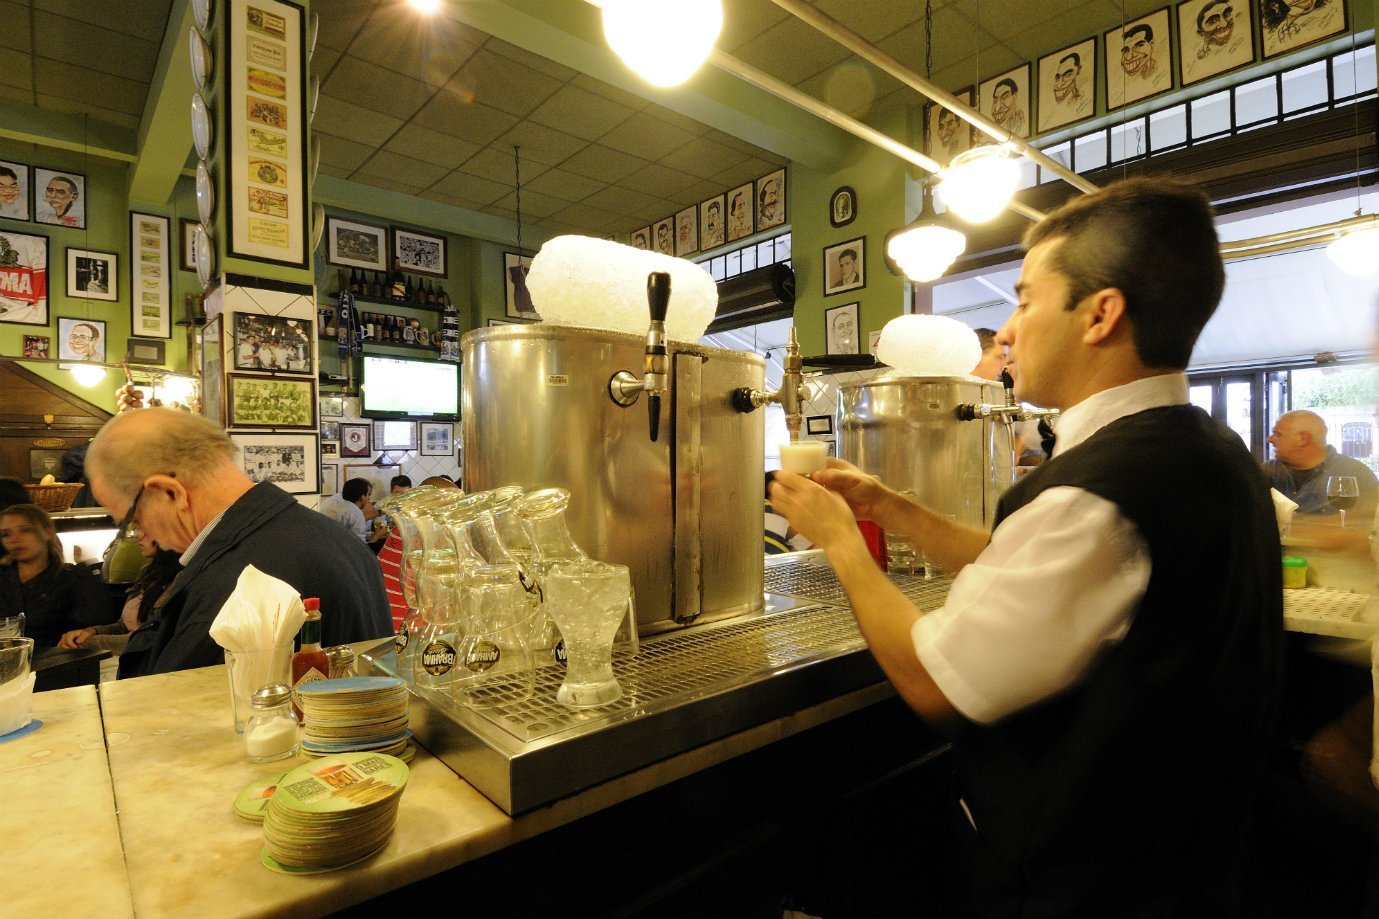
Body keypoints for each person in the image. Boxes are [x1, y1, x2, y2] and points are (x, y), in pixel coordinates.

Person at [770, 178, 1282, 915]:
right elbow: (1022, 564)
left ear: (1099, 314)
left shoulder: (1099, 493)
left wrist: (841, 541)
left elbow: (935, 685)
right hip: (1185, 857)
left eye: (1023, 299)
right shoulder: (1205, 446)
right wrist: (886, 505)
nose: (1005, 330)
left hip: (1080, 881)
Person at [84, 408, 391, 677]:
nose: (143, 535)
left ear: (169, 493)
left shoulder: (237, 584)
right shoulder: (333, 536)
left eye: (133, 522)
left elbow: (180, 723)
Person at [58, 529, 182, 656]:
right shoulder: (147, 572)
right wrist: (93, 631)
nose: (137, 537)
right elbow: (125, 626)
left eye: (146, 531)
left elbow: (149, 639)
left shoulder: (180, 580)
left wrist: (88, 642)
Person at [0, 503, 109, 647]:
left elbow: (92, 633)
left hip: (58, 664)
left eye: (26, 530)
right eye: (6, 534)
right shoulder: (4, 580)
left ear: (47, 532)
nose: (14, 539)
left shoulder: (74, 580)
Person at [1264, 409, 1379, 524]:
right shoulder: (1267, 471)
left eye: (1277, 434)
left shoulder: (1355, 474)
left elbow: (1367, 524)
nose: (1269, 439)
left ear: (1303, 439)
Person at [319, 478, 377, 543]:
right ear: (362, 497)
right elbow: (360, 547)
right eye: (368, 494)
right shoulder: (356, 513)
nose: (369, 498)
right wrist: (376, 536)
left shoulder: (336, 506)